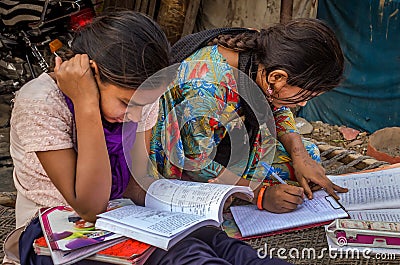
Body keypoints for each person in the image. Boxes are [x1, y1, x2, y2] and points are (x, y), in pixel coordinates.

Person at [5, 10, 291, 265]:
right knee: (188, 258)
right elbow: (90, 206)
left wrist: (195, 202)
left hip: (124, 216)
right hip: (56, 232)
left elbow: (137, 183)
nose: (134, 115)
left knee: (223, 246)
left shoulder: (140, 96)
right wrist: (86, 104)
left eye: (143, 105)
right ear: (91, 75)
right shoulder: (42, 103)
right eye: (126, 102)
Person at [149, 18, 349, 214]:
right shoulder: (207, 86)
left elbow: (277, 106)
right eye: (304, 95)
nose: (303, 104)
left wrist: (300, 156)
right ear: (277, 77)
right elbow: (196, 162)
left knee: (310, 154)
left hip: (229, 143)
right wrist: (260, 193)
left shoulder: (263, 58)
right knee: (211, 192)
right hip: (185, 160)